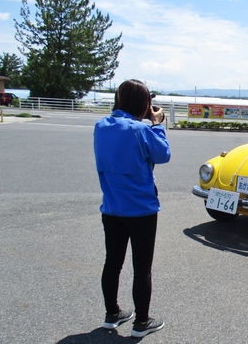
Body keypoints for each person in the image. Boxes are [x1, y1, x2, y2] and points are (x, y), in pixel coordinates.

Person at [94, 79, 171, 338]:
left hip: (112, 207)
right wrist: (157, 124)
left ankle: (112, 314)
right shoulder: (141, 130)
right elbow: (163, 155)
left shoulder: (101, 127)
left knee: (112, 262)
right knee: (142, 268)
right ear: (144, 104)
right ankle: (141, 322)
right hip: (141, 210)